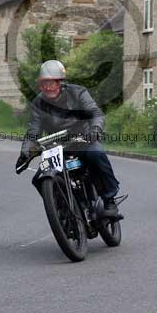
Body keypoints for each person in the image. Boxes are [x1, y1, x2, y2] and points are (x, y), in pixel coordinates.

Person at [17, 60, 122, 219]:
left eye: (51, 83)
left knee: (96, 154)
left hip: (83, 140)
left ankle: (109, 200)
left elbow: (95, 113)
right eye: (44, 83)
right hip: (56, 148)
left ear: (60, 82)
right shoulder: (38, 103)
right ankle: (61, 208)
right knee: (39, 177)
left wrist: (94, 130)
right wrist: (26, 152)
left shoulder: (78, 92)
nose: (47, 87)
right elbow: (33, 130)